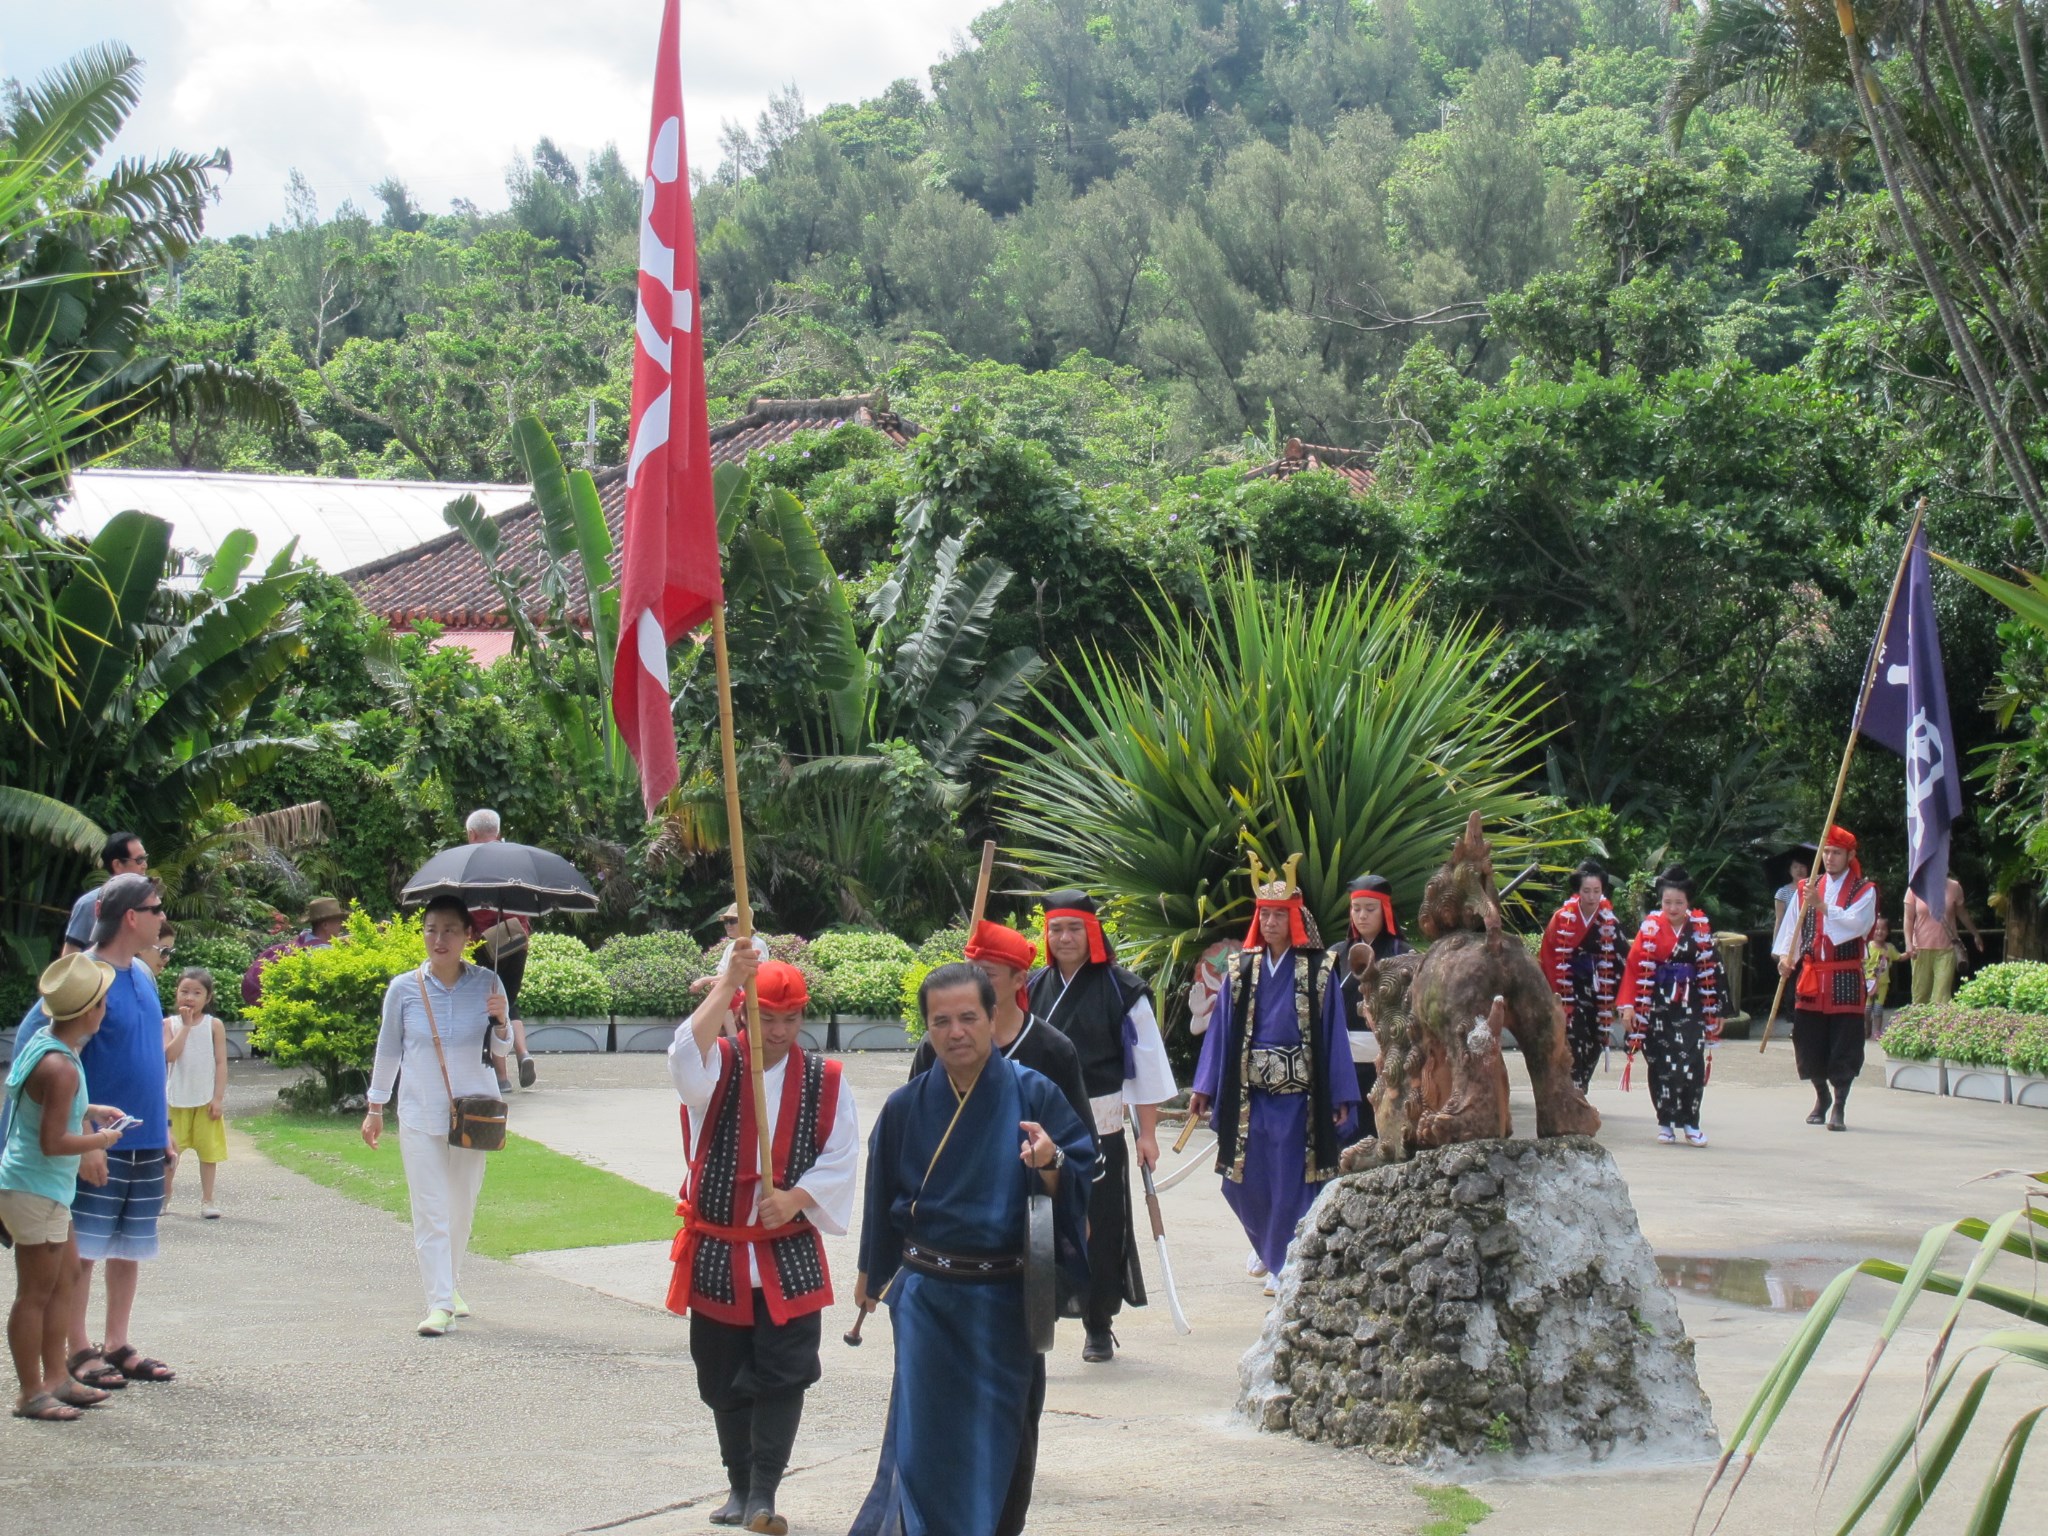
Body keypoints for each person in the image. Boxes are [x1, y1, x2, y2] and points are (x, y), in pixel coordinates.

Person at [848, 963, 1094, 1536]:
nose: (956, 1032)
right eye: (941, 1021)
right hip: (928, 1300)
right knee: (925, 1443)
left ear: (991, 1018)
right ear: (927, 1029)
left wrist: (1050, 1162)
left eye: (968, 1017)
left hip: (1004, 1303)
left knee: (1000, 1444)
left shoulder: (1034, 1093)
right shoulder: (905, 1106)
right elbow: (881, 1195)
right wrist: (871, 1273)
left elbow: (1079, 1175)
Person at [667, 949, 856, 1535]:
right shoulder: (717, 1063)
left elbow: (843, 1155)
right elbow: (680, 1057)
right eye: (767, 1018)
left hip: (786, 1251)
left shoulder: (824, 1079)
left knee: (785, 1372)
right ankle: (738, 1483)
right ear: (746, 1012)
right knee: (721, 1374)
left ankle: (765, 1492)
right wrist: (727, 981)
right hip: (721, 1251)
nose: (777, 1032)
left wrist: (796, 1199)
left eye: (790, 1019)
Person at [1188, 856, 1359, 1296]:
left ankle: (1285, 1261)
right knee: (1244, 1182)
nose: (1269, 922)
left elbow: (1333, 1035)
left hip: (1300, 1100)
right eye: (1263, 914)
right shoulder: (1240, 971)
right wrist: (1205, 1085)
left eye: (1278, 915)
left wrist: (1342, 1092)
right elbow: (1221, 1032)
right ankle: (1268, 1246)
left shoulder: (1319, 971)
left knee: (1295, 1181)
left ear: (1294, 920)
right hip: (1252, 1097)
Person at [38, 874, 177, 1388]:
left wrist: (162, 1127)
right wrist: (79, 1131)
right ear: (132, 917)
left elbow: (147, 1056)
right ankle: (78, 1348)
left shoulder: (143, 974)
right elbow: (47, 1048)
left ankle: (116, 1342)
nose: (164, 917)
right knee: (85, 1251)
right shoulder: (84, 975)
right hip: (99, 1143)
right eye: (156, 908)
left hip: (142, 1138)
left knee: (130, 1247)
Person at [1025, 890, 1175, 1363]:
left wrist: (1147, 1134)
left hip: (1102, 1127)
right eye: (1056, 929)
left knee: (1102, 1225)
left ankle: (1098, 1320)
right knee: (1036, 1221)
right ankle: (1033, 1318)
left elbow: (1146, 1067)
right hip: (1037, 1127)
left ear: (1092, 934)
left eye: (1074, 928)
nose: (1064, 938)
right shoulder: (1029, 989)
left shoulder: (1122, 989)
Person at [360, 894, 512, 1335]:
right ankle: (439, 1302)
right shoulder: (404, 988)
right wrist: (375, 1106)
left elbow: (500, 1053)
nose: (438, 938)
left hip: (474, 1115)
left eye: (449, 929)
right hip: (420, 1110)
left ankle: (450, 1282)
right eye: (430, 929)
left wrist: (502, 1022)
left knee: (460, 1207)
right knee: (429, 1208)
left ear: (468, 936)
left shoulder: (489, 983)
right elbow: (389, 1050)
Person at [3, 955, 127, 1422]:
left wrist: (90, 1109)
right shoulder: (62, 1066)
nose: (106, 1008)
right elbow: (53, 1141)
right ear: (90, 1011)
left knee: (68, 1277)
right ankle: (31, 1392)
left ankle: (57, 1377)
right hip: (33, 1187)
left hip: (43, 1188)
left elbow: (46, 1106)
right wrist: (102, 1139)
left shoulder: (48, 1043)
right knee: (34, 1292)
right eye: (102, 1000)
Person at [1773, 826, 1878, 1132]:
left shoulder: (1864, 890)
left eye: (1836, 853)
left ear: (1850, 855)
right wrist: (1784, 957)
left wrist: (1823, 907)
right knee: (1808, 1041)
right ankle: (1821, 1096)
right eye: (1827, 852)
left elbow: (1858, 925)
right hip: (1810, 976)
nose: (1830, 858)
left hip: (1843, 974)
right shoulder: (1808, 886)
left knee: (1844, 1041)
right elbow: (1792, 926)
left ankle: (1840, 1103)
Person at [1616, 867, 1724, 1147]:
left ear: (1689, 903)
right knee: (1661, 1063)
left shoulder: (1699, 929)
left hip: (1691, 1005)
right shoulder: (1650, 930)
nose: (1673, 908)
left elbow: (1714, 969)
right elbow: (1633, 966)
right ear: (1660, 902)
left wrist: (1717, 1011)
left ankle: (1691, 1122)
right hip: (1656, 1005)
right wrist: (1628, 1006)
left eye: (1679, 902)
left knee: (1691, 1063)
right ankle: (1665, 1120)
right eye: (1667, 902)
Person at [462, 809, 539, 1090]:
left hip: (485, 942)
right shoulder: (516, 859)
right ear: (498, 829)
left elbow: (465, 907)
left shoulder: (469, 862)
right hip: (517, 940)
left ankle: (502, 1078)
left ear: (472, 834)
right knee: (510, 1001)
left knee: (493, 1004)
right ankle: (523, 1052)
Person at [1332, 874, 1412, 1138]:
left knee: (1385, 1132)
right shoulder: (1336, 955)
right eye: (1356, 909)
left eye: (1370, 909)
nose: (1362, 916)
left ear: (1385, 910)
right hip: (1345, 1061)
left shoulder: (1404, 954)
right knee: (1345, 1134)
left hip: (1390, 1059)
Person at [1539, 861, 1625, 1093]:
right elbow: (1548, 955)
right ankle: (1573, 1085)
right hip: (1570, 985)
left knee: (1597, 1035)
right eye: (1586, 891)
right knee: (1574, 1034)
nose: (1591, 896)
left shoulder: (1609, 922)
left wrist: (1622, 997)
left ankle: (1581, 1084)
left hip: (1599, 986)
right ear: (1578, 891)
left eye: (1597, 891)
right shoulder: (1561, 918)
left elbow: (1622, 958)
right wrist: (1554, 993)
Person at [162, 967, 228, 1218]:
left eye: (197, 993)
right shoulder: (169, 1023)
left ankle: (208, 1200)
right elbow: (169, 1055)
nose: (190, 997)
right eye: (184, 991)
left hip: (205, 1100)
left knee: (208, 1153)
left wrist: (218, 1098)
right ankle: (164, 1197)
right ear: (176, 993)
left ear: (208, 997)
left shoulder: (215, 1025)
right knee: (170, 1155)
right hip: (175, 1100)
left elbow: (221, 1062)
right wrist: (186, 1027)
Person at [241, 896, 347, 1006]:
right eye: (338, 922)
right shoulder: (322, 952)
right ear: (325, 925)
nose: (341, 925)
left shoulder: (305, 937)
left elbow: (320, 942)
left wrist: (342, 940)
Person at [60, 831, 148, 956]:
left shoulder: (146, 903)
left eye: (145, 858)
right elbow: (69, 958)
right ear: (117, 865)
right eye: (139, 860)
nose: (145, 865)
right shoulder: (89, 903)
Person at [1903, 876, 1985, 1006]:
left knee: (1941, 998)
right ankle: (1921, 1025)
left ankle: (1938, 1025)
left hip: (1947, 949)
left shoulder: (1954, 887)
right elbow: (1908, 918)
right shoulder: (1915, 888)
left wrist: (1975, 934)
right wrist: (1908, 943)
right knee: (1920, 997)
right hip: (1920, 950)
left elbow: (1962, 913)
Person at [1864, 915, 1902, 1041]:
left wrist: (1910, 953)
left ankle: (1877, 1031)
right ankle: (1866, 1028)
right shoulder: (1868, 946)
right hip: (1868, 983)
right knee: (1867, 1009)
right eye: (1876, 928)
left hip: (1883, 983)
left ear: (1888, 932)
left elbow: (1899, 957)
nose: (1879, 931)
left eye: (1883, 929)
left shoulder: (1889, 948)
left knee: (1878, 1008)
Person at [1772, 852, 1811, 936]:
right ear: (1790, 870)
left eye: (1802, 866)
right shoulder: (1782, 892)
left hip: (1810, 933)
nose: (1799, 870)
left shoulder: (1815, 889)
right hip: (1790, 934)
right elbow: (1779, 920)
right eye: (1795, 867)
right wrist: (1775, 944)